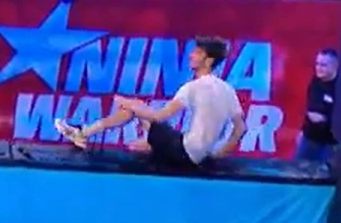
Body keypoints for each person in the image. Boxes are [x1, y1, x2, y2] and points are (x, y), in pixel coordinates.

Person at [54, 36, 245, 170]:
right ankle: (148, 143)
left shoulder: (192, 87)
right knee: (141, 110)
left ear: (208, 60)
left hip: (182, 154)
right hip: (195, 154)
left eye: (197, 53)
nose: (191, 55)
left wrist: (129, 104)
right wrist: (217, 154)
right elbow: (240, 129)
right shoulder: (228, 89)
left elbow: (159, 116)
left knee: (134, 108)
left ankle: (82, 134)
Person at [299, 48, 339, 162]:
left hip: (331, 143)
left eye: (323, 65)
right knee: (297, 168)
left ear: (334, 66)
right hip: (310, 138)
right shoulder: (315, 82)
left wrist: (325, 119)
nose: (318, 68)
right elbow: (313, 114)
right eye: (317, 64)